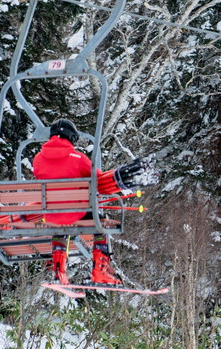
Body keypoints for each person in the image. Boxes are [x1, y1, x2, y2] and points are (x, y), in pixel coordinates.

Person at [33, 119, 151, 286]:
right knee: (100, 221)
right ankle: (100, 270)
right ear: (71, 137)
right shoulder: (78, 158)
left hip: (51, 213)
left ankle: (58, 270)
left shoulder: (38, 159)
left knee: (60, 224)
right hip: (76, 213)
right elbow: (98, 180)